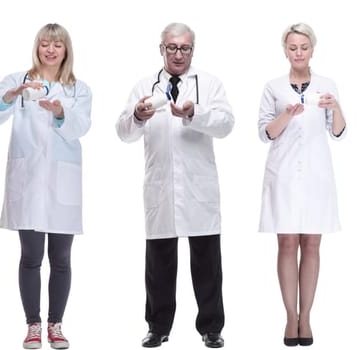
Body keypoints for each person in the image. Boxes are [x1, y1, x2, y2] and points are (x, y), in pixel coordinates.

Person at [115, 22, 234, 349]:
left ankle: (211, 327)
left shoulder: (209, 84)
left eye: (184, 48)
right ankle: (158, 326)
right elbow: (123, 132)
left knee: (207, 263)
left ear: (192, 50)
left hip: (200, 189)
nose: (178, 54)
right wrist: (138, 115)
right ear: (161, 49)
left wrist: (195, 113)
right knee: (159, 264)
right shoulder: (144, 85)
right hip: (161, 188)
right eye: (172, 47)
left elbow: (226, 125)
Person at [0, 23, 91, 350]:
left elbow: (82, 125)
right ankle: (33, 325)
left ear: (66, 49)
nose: (50, 50)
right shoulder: (18, 80)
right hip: (28, 181)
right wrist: (11, 96)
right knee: (30, 256)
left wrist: (60, 112)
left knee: (61, 258)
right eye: (45, 44)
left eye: (56, 45)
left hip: (62, 183)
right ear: (37, 47)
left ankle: (56, 326)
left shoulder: (78, 89)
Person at [257, 22, 347, 347]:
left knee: (311, 245)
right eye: (293, 47)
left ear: (312, 49)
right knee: (286, 244)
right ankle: (289, 318)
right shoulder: (273, 87)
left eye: (304, 48)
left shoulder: (326, 85)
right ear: (285, 50)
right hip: (282, 175)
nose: (298, 53)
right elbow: (265, 131)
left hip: (316, 174)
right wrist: (287, 115)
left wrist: (335, 108)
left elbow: (337, 132)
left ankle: (306, 318)